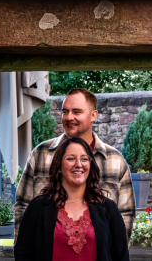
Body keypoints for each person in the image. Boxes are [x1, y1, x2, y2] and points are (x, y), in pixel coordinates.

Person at [14, 88, 135, 240]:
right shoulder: (41, 153)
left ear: (93, 116)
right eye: (65, 111)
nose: (68, 117)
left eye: (76, 112)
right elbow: (23, 206)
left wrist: (114, 253)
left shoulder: (114, 160)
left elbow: (126, 213)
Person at [14, 136, 130, 261]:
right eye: (71, 158)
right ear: (58, 167)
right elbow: (23, 255)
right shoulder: (38, 208)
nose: (79, 164)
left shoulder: (108, 209)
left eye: (84, 159)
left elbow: (121, 255)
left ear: (90, 165)